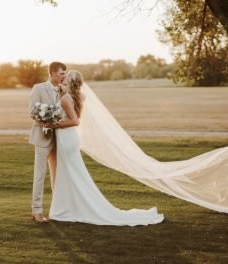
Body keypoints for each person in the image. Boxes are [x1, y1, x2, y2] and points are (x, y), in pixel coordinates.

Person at [46, 70, 164, 226]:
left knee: (70, 173)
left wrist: (54, 124)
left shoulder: (67, 98)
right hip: (70, 138)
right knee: (72, 174)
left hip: (66, 137)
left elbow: (75, 121)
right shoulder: (80, 96)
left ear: (69, 81)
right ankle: (67, 207)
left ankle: (66, 209)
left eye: (65, 77)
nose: (62, 79)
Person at [28, 61, 66, 224]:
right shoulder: (38, 88)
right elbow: (32, 112)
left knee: (59, 176)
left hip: (60, 139)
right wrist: (47, 120)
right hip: (42, 137)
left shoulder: (64, 90)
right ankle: (37, 211)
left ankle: (57, 211)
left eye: (64, 73)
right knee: (40, 175)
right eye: (61, 73)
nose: (63, 76)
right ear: (52, 73)